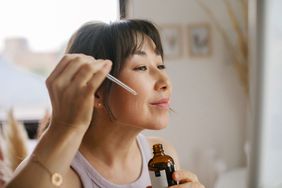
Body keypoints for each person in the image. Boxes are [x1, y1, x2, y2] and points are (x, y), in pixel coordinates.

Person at [6, 19, 204, 188]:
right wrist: (63, 126)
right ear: (97, 91)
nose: (165, 82)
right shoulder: (62, 174)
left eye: (160, 65)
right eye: (141, 67)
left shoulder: (162, 154)